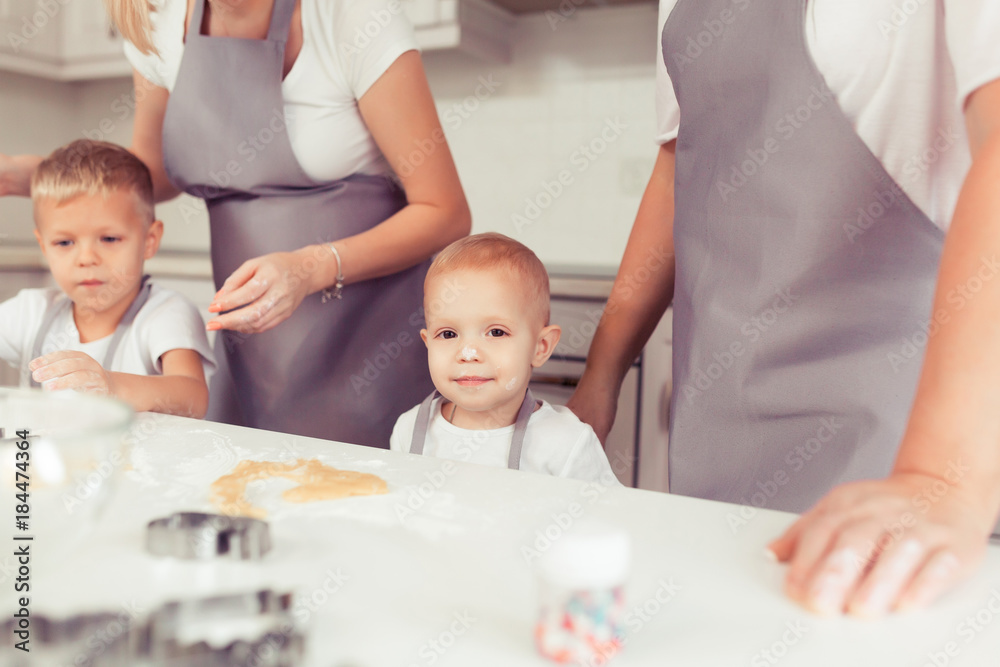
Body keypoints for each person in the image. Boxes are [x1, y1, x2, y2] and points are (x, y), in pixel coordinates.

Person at [568, 0, 1000, 617]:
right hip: (714, 452)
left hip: (899, 465)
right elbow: (675, 170)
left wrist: (940, 480)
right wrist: (599, 379)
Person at [0, 0, 470, 447]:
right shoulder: (160, 20)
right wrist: (36, 176)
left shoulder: (351, 16)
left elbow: (445, 212)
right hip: (254, 345)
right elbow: (150, 175)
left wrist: (311, 267)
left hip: (369, 341)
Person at [0, 139, 215, 417]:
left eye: (109, 238)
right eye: (64, 243)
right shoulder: (32, 311)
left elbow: (193, 397)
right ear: (43, 247)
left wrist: (113, 386)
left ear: (149, 240)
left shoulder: (165, 314)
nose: (86, 258)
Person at [391, 233, 619, 484]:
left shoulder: (567, 444)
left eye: (496, 332)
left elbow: (606, 519)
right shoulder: (410, 430)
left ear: (540, 347)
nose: (468, 354)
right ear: (428, 343)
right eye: (448, 334)